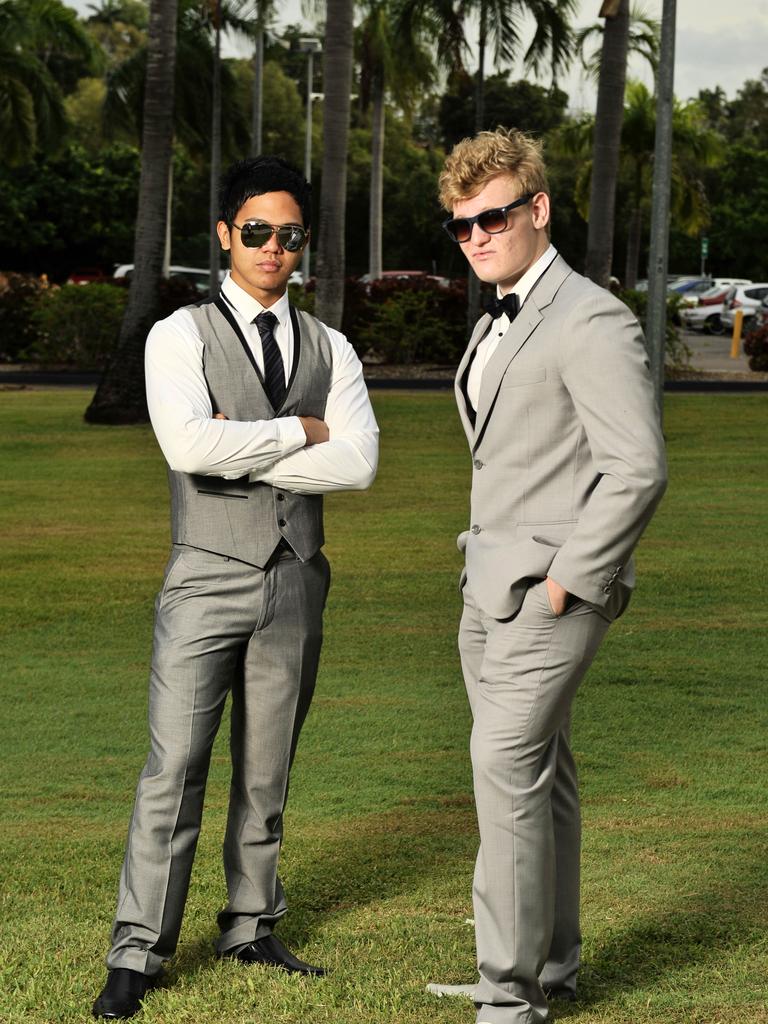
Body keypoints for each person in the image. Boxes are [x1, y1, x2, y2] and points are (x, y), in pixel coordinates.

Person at [92, 156, 379, 1020]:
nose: (272, 249)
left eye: (289, 235)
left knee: (267, 770)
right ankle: (136, 951)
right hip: (206, 578)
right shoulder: (178, 336)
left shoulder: (331, 345)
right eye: (256, 232)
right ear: (224, 235)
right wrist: (302, 430)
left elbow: (358, 463)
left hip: (298, 579)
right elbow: (186, 449)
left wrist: (241, 438)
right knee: (172, 768)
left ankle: (251, 923)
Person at [430, 128, 667, 1024]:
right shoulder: (502, 315)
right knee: (542, 772)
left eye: (493, 217)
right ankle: (551, 968)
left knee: (502, 761)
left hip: (548, 591)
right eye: (462, 226)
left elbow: (637, 466)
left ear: (538, 209)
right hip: (485, 583)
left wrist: (569, 580)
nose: (478, 238)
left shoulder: (591, 317)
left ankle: (507, 996)